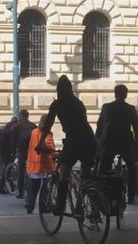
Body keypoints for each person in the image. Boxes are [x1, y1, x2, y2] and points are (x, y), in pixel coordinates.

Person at [39, 75, 98, 214]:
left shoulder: (57, 104)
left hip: (74, 141)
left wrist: (40, 143)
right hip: (89, 139)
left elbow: (47, 125)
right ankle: (89, 205)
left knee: (64, 173)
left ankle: (59, 207)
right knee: (86, 175)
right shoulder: (78, 102)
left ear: (58, 89)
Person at [96, 84, 138, 204]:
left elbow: (100, 124)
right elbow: (136, 126)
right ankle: (131, 195)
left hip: (109, 142)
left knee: (104, 167)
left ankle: (101, 191)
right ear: (126, 95)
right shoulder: (130, 108)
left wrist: (98, 140)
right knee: (132, 167)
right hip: (125, 143)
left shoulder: (107, 107)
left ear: (115, 94)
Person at [24, 115, 57, 214]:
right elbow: (50, 147)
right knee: (45, 187)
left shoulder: (34, 132)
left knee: (32, 188)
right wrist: (56, 154)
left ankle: (30, 205)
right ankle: (45, 205)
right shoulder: (47, 133)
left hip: (33, 164)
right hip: (44, 165)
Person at [14, 109, 37, 199]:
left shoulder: (18, 126)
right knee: (31, 170)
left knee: (21, 170)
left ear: (21, 116)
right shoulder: (33, 126)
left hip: (22, 151)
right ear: (27, 116)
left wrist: (13, 149)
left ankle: (20, 192)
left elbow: (14, 139)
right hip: (31, 151)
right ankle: (31, 188)